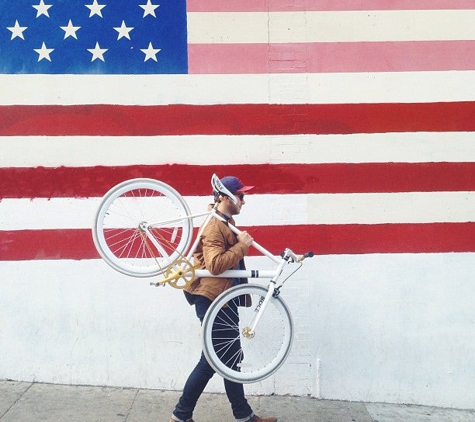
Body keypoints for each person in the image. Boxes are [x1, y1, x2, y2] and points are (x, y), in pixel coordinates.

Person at [169, 176, 277, 422]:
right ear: (226, 197)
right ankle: (180, 416)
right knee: (211, 361)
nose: (244, 201)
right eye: (241, 196)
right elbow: (216, 265)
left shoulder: (225, 223)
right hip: (212, 300)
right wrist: (241, 247)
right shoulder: (214, 226)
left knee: (231, 360)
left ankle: (243, 415)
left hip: (225, 300)